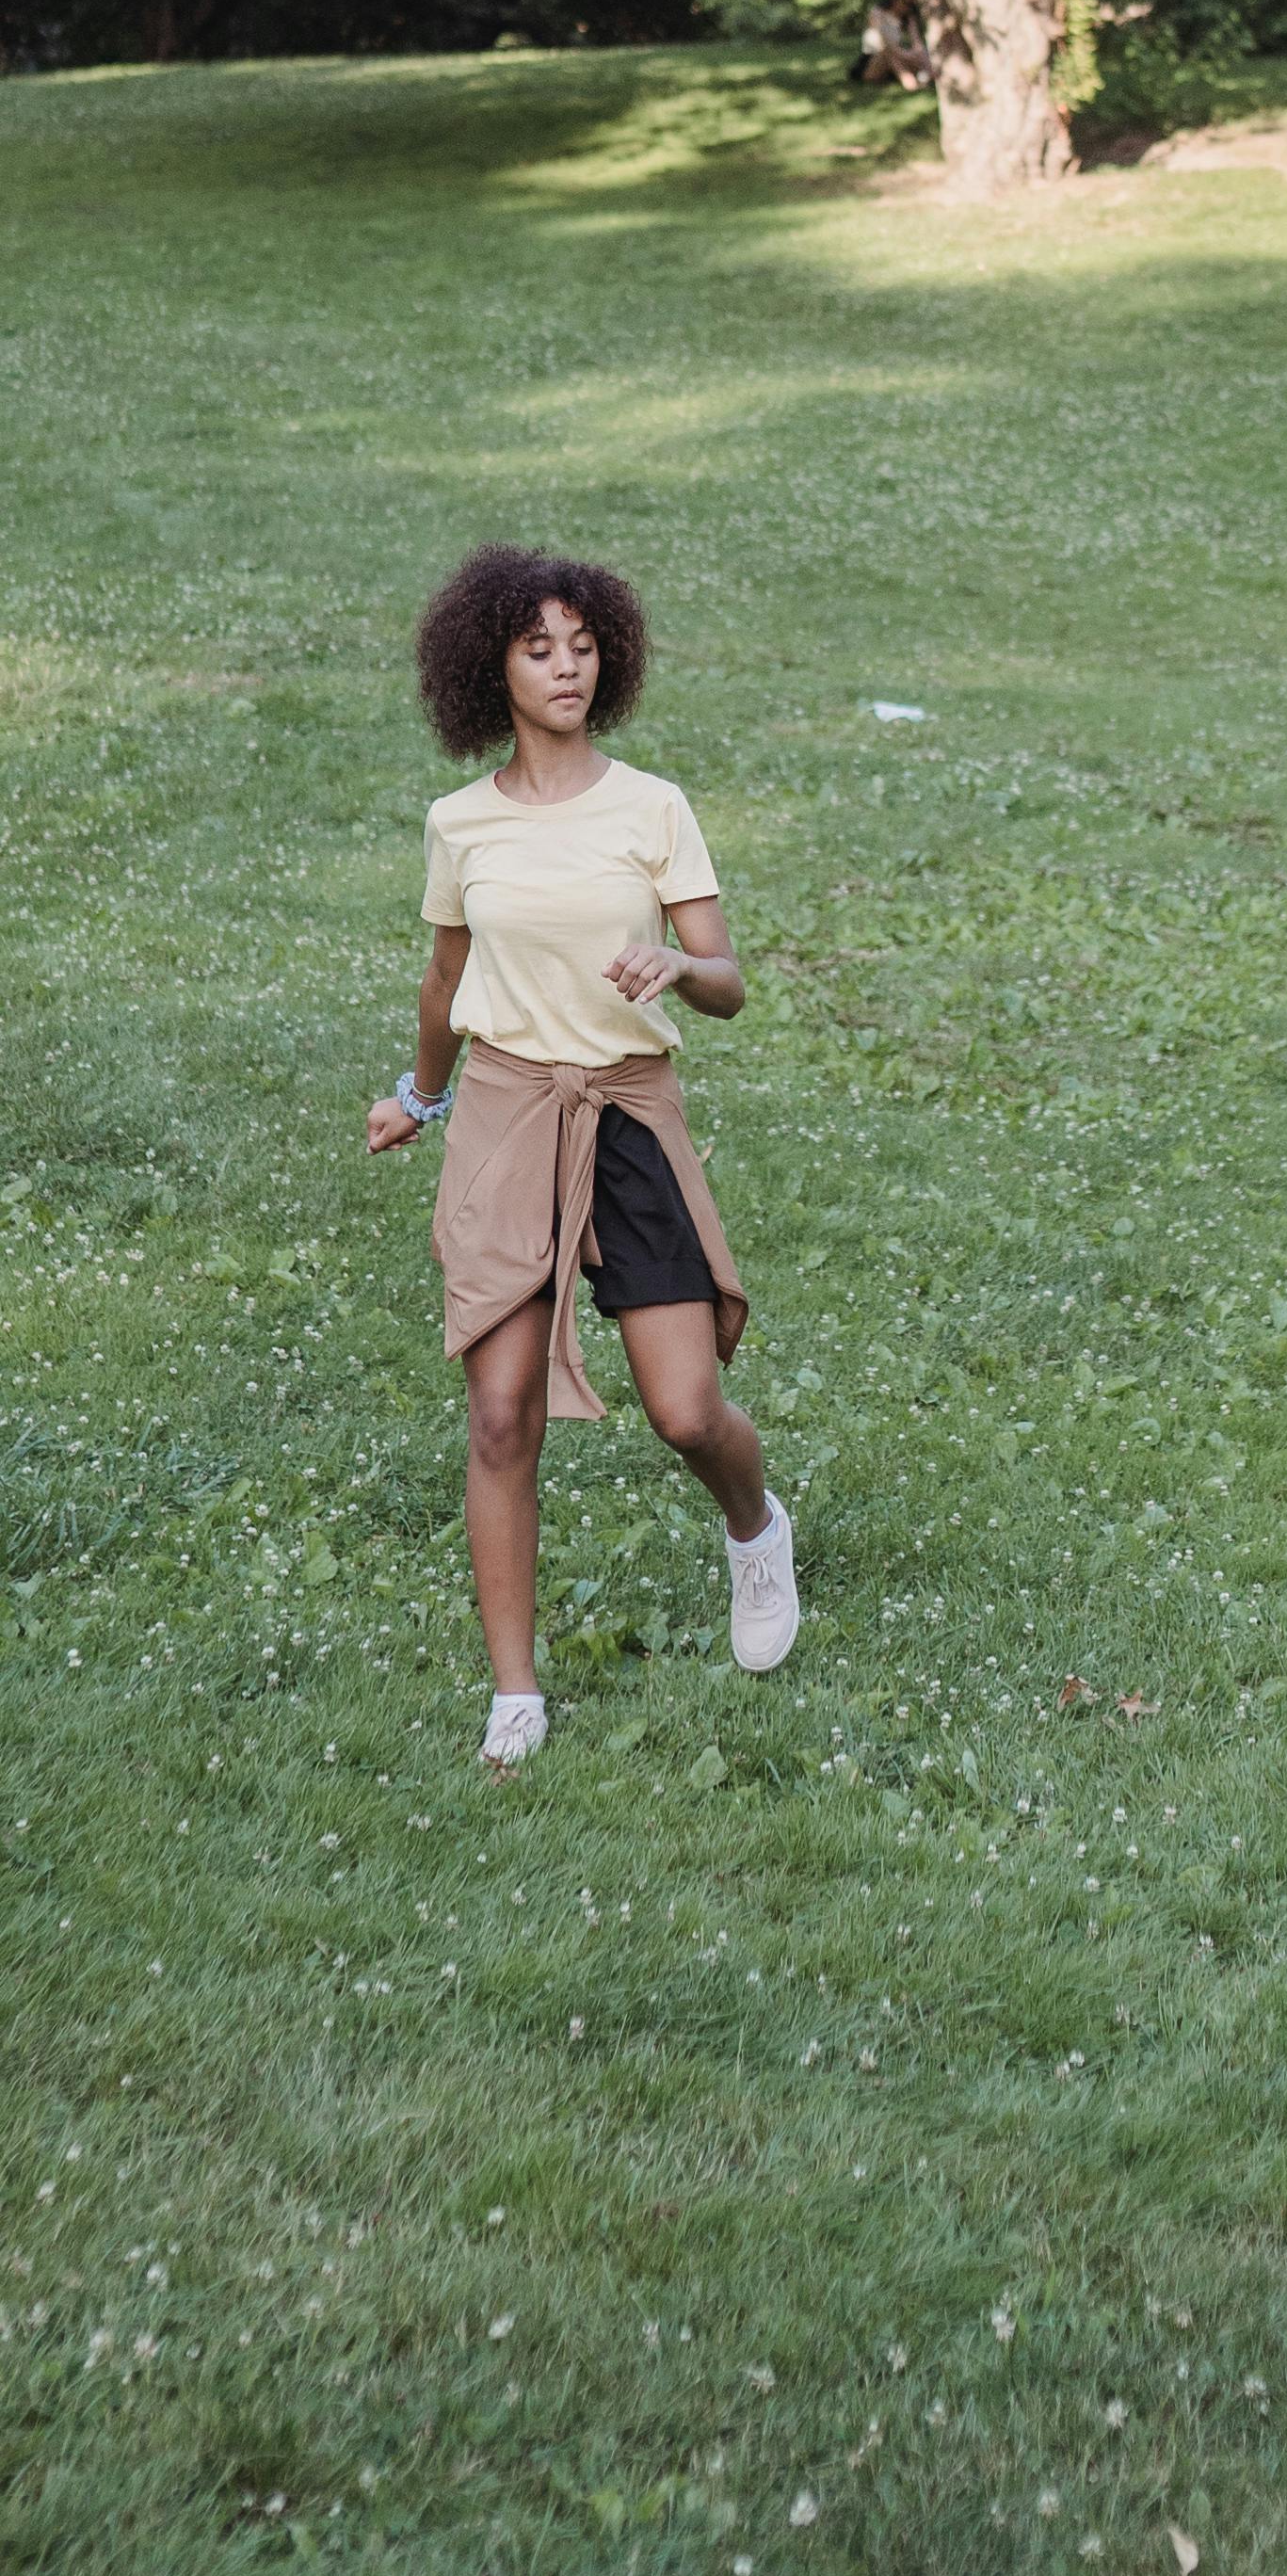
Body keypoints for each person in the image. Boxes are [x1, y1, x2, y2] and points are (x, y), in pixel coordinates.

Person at [364, 547, 798, 1769]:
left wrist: (678, 966)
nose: (565, 667)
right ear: (490, 667)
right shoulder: (462, 822)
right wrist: (421, 1095)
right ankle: (516, 1691)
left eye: (582, 645)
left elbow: (729, 983)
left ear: (609, 657)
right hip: (505, 1117)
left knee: (685, 1405)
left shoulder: (650, 805)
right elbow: (446, 980)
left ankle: (755, 1526)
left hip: (624, 1114)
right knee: (501, 1416)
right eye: (537, 647)